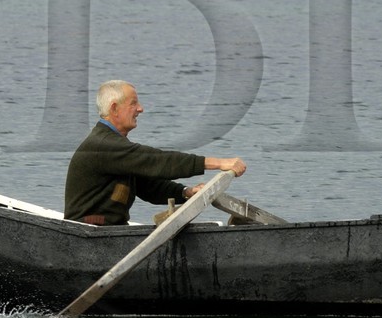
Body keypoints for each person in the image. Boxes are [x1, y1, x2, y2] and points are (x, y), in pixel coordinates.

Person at [64, 79, 248, 225]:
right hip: (90, 233)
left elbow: (147, 187)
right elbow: (158, 161)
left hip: (108, 231)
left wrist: (186, 192)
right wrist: (219, 163)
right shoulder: (103, 144)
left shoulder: (114, 145)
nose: (140, 109)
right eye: (133, 103)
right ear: (114, 108)